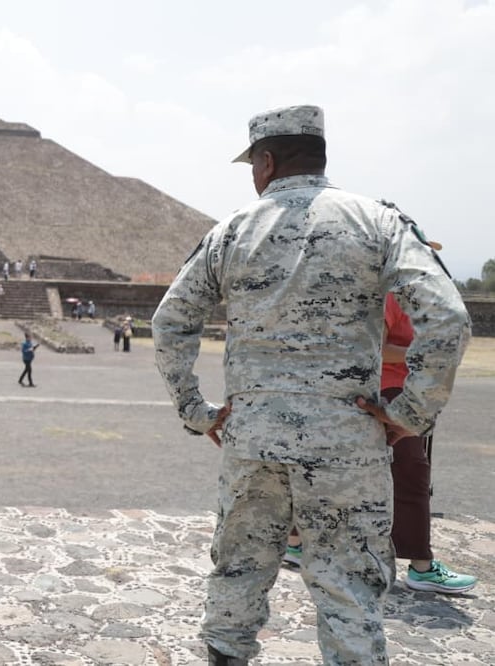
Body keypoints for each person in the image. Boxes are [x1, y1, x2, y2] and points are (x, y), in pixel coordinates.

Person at [151, 105, 469, 666]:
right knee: (348, 589)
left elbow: (169, 321)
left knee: (239, 575)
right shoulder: (377, 221)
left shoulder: (232, 229)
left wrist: (196, 411)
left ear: (267, 162)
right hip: (347, 441)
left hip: (252, 440)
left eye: (253, 164)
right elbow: (447, 319)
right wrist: (409, 415)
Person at [286, 291, 477, 594]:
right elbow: (373, 346)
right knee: (411, 473)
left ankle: (295, 543)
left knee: (335, 467)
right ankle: (421, 567)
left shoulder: (415, 292)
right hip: (386, 390)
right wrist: (424, 351)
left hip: (394, 389)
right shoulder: (391, 292)